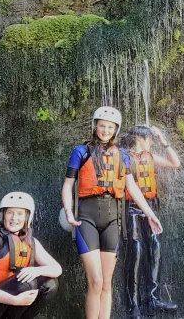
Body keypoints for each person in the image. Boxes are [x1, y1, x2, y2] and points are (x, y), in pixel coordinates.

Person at [60, 106, 164, 319]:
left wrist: (151, 214)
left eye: (109, 127)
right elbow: (68, 185)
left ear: (116, 130)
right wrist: (69, 213)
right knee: (95, 281)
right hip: (86, 219)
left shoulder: (123, 155)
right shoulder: (81, 151)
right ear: (95, 126)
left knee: (107, 283)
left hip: (113, 221)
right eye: (102, 126)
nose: (105, 130)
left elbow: (132, 188)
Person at [0, 192, 61, 319]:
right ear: (3, 215)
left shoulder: (31, 242)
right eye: (10, 212)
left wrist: (37, 270)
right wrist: (15, 300)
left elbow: (57, 269)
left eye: (20, 213)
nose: (14, 218)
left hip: (9, 306)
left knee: (50, 284)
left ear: (27, 217)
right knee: (26, 283)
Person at [120, 125, 181, 318]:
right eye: (150, 138)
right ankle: (133, 304)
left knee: (155, 249)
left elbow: (175, 163)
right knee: (135, 252)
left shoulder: (150, 157)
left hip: (150, 207)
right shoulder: (124, 157)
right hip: (130, 208)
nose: (152, 141)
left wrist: (164, 141)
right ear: (139, 138)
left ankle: (152, 299)